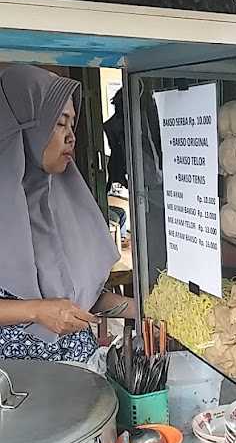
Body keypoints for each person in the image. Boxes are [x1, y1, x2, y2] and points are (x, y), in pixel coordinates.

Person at [0, 64, 136, 362]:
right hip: (14, 391)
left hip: (78, 382)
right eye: (60, 124)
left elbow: (77, 300)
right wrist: (35, 310)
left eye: (72, 125)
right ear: (24, 127)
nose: (71, 137)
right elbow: (47, 307)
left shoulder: (63, 199)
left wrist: (142, 309)